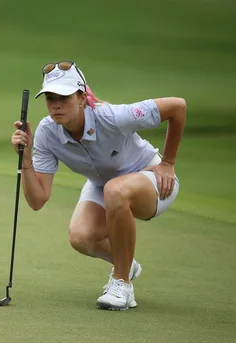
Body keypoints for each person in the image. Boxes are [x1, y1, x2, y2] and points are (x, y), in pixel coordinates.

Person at [10, 61, 186, 311]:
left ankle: (122, 283)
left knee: (115, 190)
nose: (56, 104)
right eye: (50, 97)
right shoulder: (47, 133)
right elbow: (38, 200)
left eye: (64, 96)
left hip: (154, 180)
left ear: (82, 98)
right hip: (105, 186)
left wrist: (168, 162)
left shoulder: (113, 117)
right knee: (81, 237)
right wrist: (26, 160)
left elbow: (177, 106)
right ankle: (125, 262)